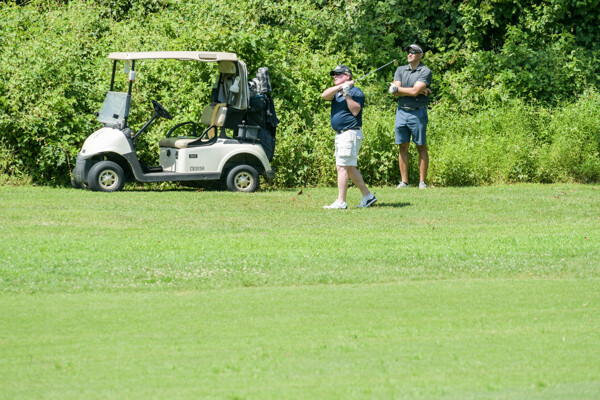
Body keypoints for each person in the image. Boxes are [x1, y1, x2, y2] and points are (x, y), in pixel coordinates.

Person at [321, 65, 377, 209]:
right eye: (334, 74)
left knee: (342, 167)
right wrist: (341, 88)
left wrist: (347, 94)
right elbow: (324, 95)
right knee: (350, 167)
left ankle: (341, 202)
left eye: (338, 74)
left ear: (347, 76)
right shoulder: (337, 92)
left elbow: (355, 111)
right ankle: (368, 196)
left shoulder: (356, 92)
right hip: (341, 134)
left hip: (349, 133)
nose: (335, 76)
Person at [389, 44, 432, 189]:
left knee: (421, 146)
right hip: (401, 112)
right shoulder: (400, 70)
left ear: (421, 55)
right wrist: (417, 90)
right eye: (408, 51)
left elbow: (410, 91)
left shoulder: (425, 71)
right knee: (402, 147)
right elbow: (395, 92)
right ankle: (404, 182)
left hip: (418, 112)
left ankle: (422, 182)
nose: (410, 54)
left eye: (414, 52)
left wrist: (406, 90)